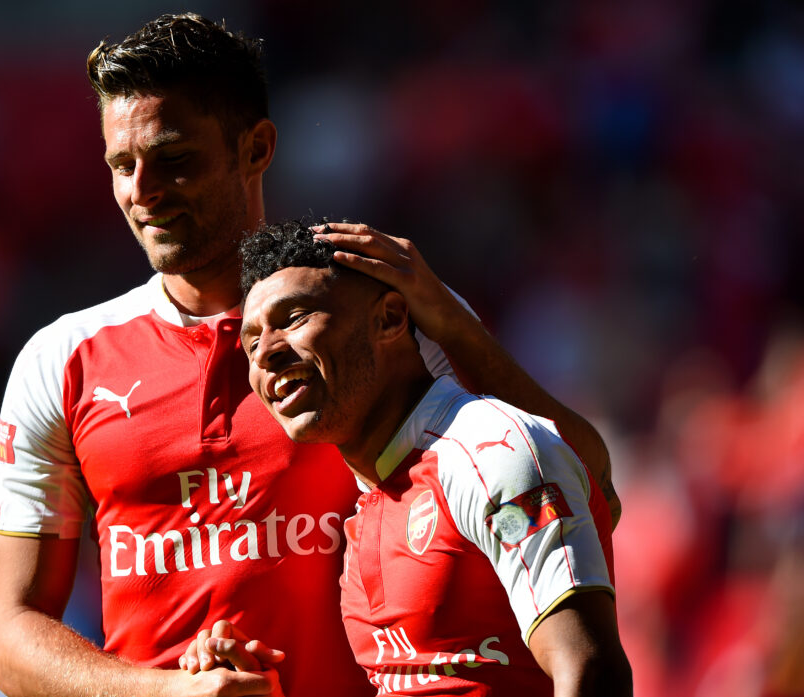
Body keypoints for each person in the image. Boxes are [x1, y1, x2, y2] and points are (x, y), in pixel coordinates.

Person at [0, 12, 620, 697]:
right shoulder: (64, 361)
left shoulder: (382, 311)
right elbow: (8, 629)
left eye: (174, 158)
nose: (142, 190)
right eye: (121, 165)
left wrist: (458, 330)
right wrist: (165, 691)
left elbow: (581, 482)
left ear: (256, 148)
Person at [230, 220, 632, 696]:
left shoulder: (490, 453)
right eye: (251, 343)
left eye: (295, 317)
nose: (267, 355)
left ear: (391, 318)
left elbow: (591, 670)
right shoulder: (369, 507)